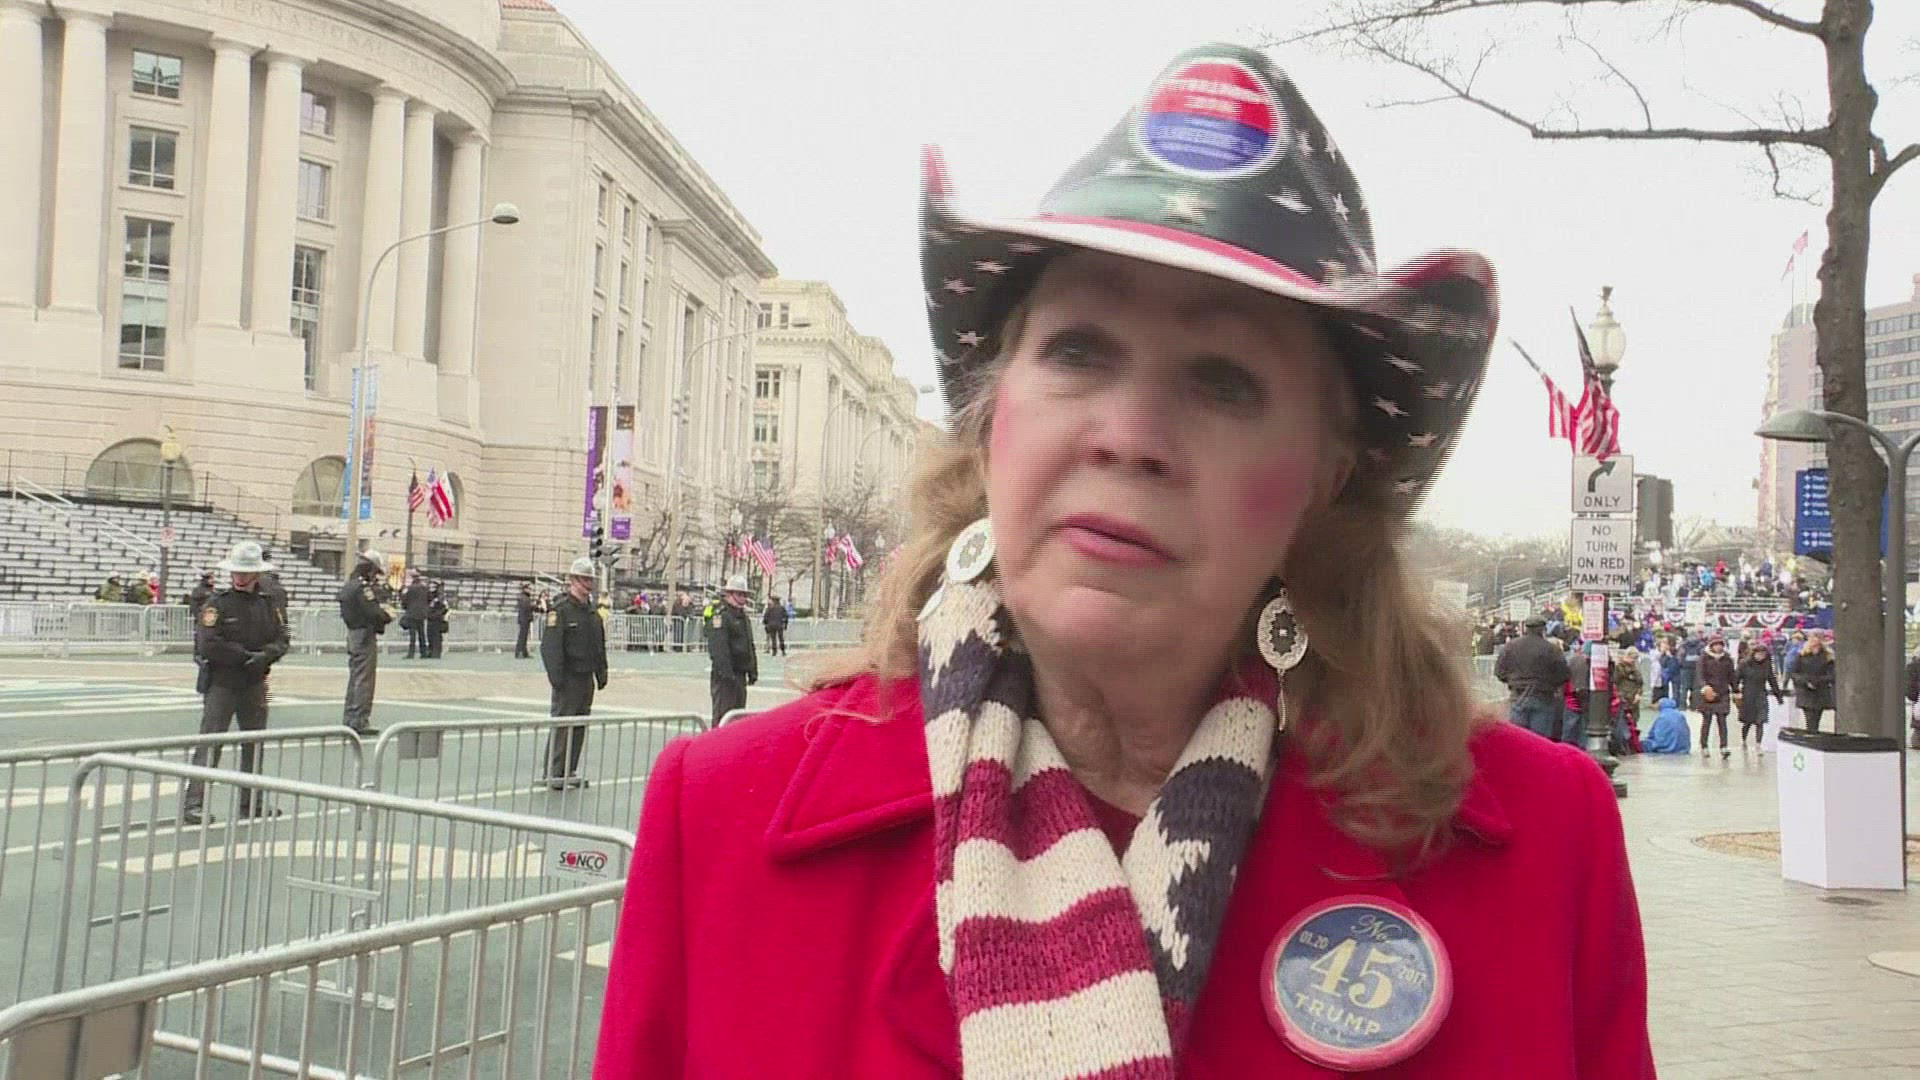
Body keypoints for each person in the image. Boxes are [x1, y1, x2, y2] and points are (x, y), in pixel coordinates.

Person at [594, 44, 1651, 1078]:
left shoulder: (1545, 845)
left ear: (1326, 481)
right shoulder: (719, 819)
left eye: (1224, 381)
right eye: (1078, 350)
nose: (1129, 435)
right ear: (992, 420)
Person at [180, 541, 290, 824]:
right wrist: (244, 656)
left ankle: (251, 801)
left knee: (254, 743)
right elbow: (208, 644)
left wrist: (266, 656)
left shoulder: (268, 604)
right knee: (211, 741)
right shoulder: (217, 604)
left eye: (245, 572)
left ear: (256, 574)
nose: (240, 576)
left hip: (255, 681)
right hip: (223, 681)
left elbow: (282, 639)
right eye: (237, 571)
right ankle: (194, 803)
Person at [541, 557, 607, 790]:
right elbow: (551, 647)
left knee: (579, 725)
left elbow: (598, 646)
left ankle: (569, 770)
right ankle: (554, 772)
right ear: (572, 580)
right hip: (568, 677)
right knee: (563, 724)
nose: (588, 584)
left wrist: (601, 672)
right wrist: (557, 678)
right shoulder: (561, 611)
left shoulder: (592, 613)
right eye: (584, 579)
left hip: (585, 676)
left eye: (590, 580)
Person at [336, 550, 393, 736]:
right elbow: (372, 612)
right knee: (364, 679)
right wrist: (386, 616)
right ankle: (359, 719)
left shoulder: (349, 585)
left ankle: (350, 717)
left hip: (353, 633)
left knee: (355, 677)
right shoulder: (362, 588)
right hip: (364, 634)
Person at [1493, 615, 1570, 741]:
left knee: (1518, 739)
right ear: (1543, 629)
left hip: (1518, 695)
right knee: (1540, 741)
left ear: (1526, 628)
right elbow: (1563, 674)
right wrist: (1551, 684)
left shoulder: (1511, 646)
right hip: (1543, 696)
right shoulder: (1551, 649)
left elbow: (1499, 671)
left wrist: (1512, 681)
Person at [706, 575, 758, 726]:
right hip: (725, 676)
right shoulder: (721, 616)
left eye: (744, 595)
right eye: (739, 594)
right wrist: (727, 674)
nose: (743, 599)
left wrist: (752, 669)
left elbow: (749, 644)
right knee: (723, 718)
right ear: (729, 594)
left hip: (740, 674)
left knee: (737, 718)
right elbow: (718, 648)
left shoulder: (743, 617)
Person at [1736, 640, 1786, 755]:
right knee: (1747, 722)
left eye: (1763, 654)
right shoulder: (1744, 664)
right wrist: (1736, 692)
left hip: (1761, 695)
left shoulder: (1767, 665)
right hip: (1748, 695)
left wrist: (1778, 696)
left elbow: (1772, 680)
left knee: (1760, 721)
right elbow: (1736, 679)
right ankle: (1744, 740)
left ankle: (1758, 745)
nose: (1761, 656)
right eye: (1759, 654)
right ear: (1753, 653)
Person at [1695, 635, 1737, 760]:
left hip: (1723, 692)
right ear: (1711, 646)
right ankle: (1704, 746)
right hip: (1708, 692)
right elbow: (1700, 675)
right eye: (1716, 644)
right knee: (1707, 721)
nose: (1718, 647)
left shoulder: (1727, 659)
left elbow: (1732, 676)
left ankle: (1724, 746)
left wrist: (1736, 690)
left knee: (1722, 721)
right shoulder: (1704, 658)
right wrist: (1704, 687)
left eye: (1720, 644)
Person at [1787, 631, 1836, 732]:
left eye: (1817, 638)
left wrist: (1817, 681)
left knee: (1816, 719)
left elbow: (1832, 675)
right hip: (1805, 691)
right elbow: (1794, 673)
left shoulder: (1828, 656)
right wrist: (1805, 681)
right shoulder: (1802, 655)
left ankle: (1813, 734)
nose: (1815, 641)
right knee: (1809, 719)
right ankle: (1811, 734)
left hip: (1820, 691)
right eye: (1812, 638)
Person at [401, 572, 431, 659]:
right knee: (422, 634)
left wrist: (406, 607)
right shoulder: (425, 588)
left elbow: (404, 600)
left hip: (412, 613)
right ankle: (423, 652)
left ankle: (411, 653)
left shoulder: (409, 588)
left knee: (412, 635)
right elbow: (429, 599)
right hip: (422, 613)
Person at [426, 581, 450, 659]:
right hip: (431, 618)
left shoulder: (441, 597)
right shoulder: (430, 596)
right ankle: (430, 651)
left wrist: (439, 614)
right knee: (430, 636)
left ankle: (436, 653)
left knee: (436, 637)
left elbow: (445, 608)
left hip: (437, 619)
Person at [515, 583, 537, 658]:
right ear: (525, 589)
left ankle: (524, 653)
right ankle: (519, 652)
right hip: (524, 619)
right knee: (522, 637)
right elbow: (526, 608)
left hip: (524, 619)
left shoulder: (525, 597)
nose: (530, 590)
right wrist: (533, 606)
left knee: (524, 637)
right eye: (528, 589)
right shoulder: (524, 598)